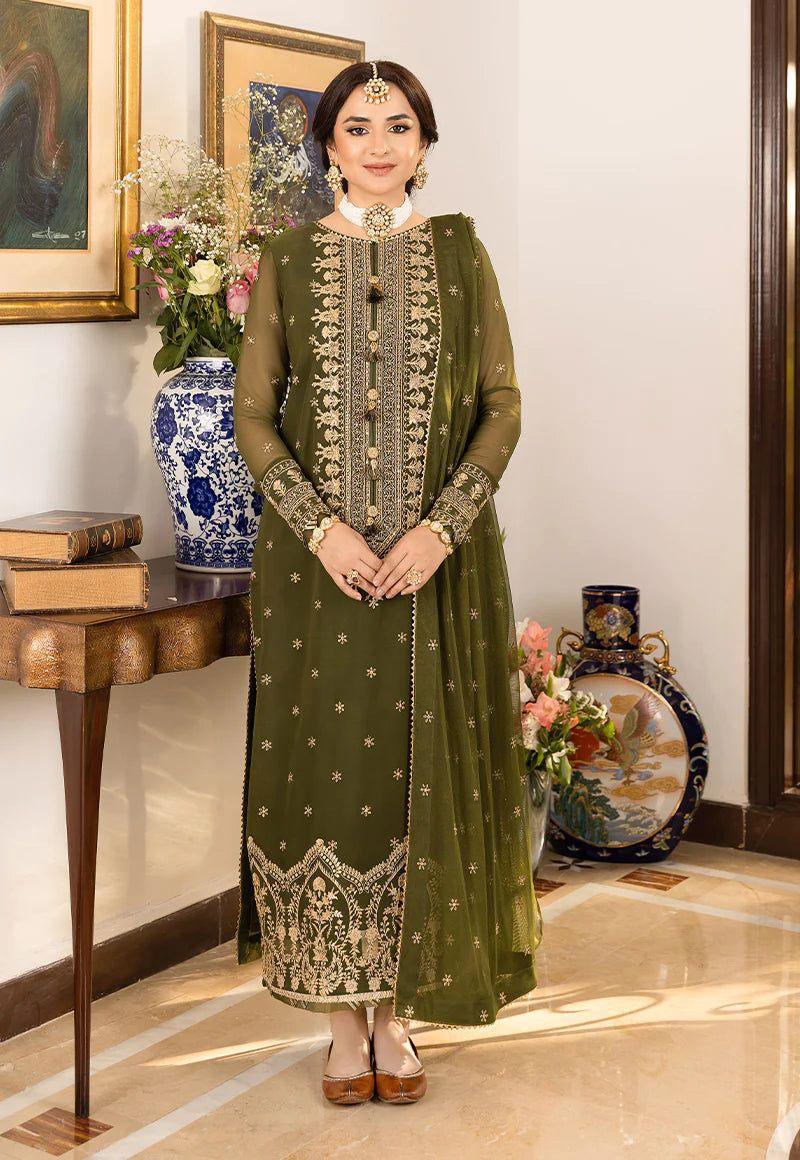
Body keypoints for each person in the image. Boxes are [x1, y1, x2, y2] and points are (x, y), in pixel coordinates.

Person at [233, 59, 542, 1105]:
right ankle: (337, 1021)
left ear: (424, 143)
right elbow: (252, 416)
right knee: (327, 769)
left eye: (397, 125)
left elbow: (501, 404)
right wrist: (320, 530)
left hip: (431, 576)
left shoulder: (458, 254)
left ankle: (397, 1016)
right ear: (326, 143)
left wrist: (439, 530)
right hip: (315, 572)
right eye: (356, 125)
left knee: (419, 771)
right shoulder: (283, 256)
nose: (376, 143)